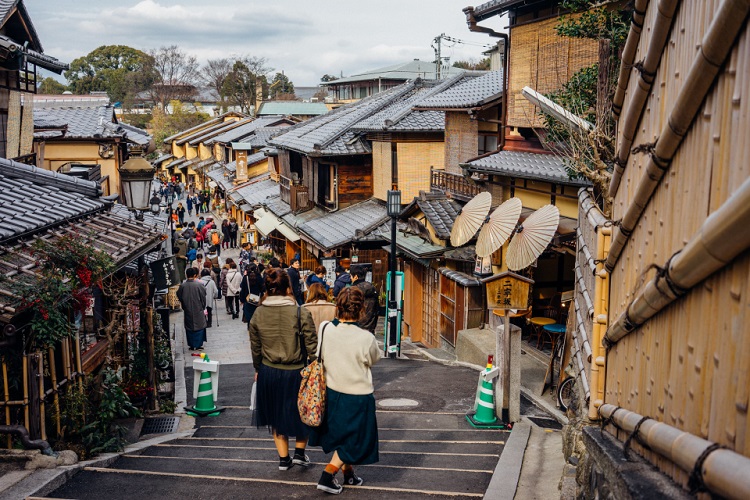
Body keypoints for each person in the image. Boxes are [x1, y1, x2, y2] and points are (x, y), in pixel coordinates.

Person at [309, 287, 380, 494]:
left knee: (342, 436)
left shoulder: (325, 328)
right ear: (361, 309)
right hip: (358, 396)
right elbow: (375, 358)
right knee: (356, 439)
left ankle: (348, 474)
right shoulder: (366, 337)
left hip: (331, 392)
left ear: (338, 306)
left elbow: (318, 351)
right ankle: (327, 475)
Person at [248, 268, 317, 471]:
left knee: (276, 414)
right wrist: (315, 367)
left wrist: (257, 368)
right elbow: (312, 345)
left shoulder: (258, 313)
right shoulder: (299, 311)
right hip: (296, 371)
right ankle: (300, 454)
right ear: (288, 288)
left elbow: (255, 346)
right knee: (302, 412)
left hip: (268, 370)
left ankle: (283, 459)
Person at [176, 267, 207, 351]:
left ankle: (191, 344)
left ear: (186, 275)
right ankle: (198, 344)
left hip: (187, 308)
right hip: (198, 308)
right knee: (200, 326)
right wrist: (203, 306)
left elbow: (178, 295)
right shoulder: (199, 285)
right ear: (194, 275)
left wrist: (183, 303)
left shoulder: (183, 286)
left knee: (189, 327)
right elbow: (203, 297)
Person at [350, 265, 379, 334]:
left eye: (351, 276)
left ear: (356, 277)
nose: (350, 278)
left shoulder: (354, 290)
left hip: (356, 327)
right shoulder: (372, 288)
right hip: (370, 327)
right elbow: (377, 309)